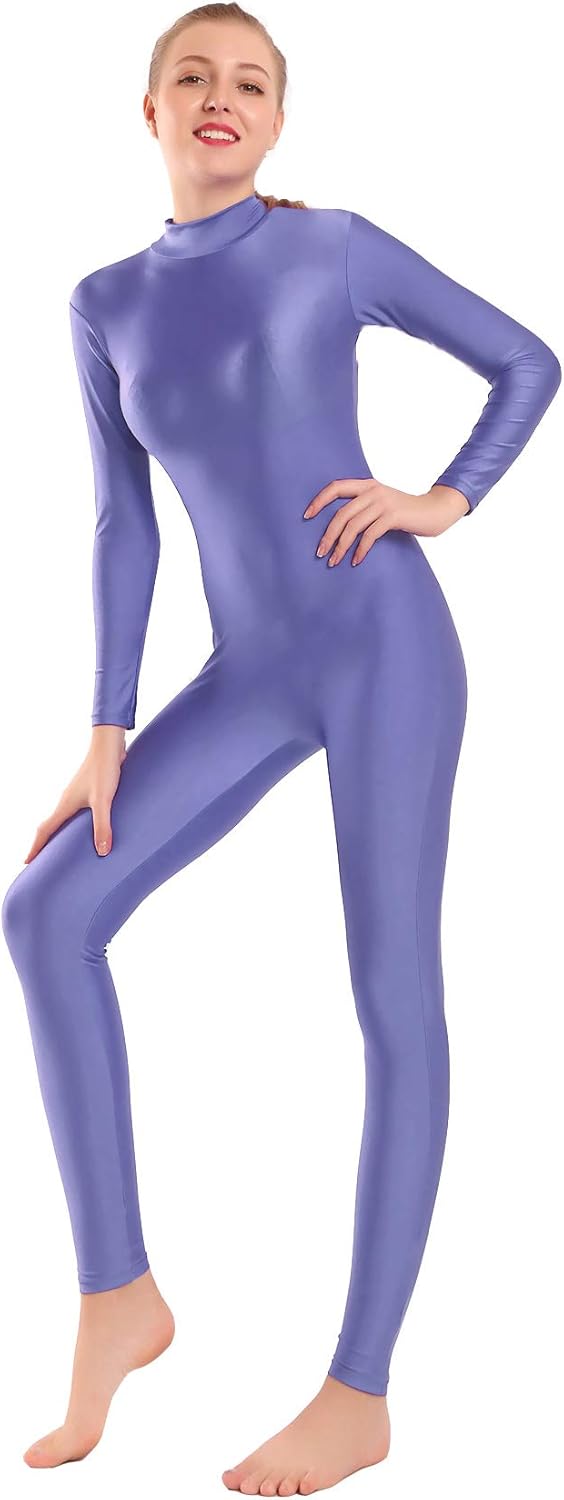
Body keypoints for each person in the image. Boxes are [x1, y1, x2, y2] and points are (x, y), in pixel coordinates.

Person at [1, 1, 560, 1488]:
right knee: (46, 913)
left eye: (250, 81)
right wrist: (107, 727)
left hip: (385, 648)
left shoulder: (334, 248)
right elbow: (123, 524)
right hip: (248, 671)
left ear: (278, 119)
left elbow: (526, 360)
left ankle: (358, 1392)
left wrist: (443, 499)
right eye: (193, 75)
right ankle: (119, 1295)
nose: (221, 96)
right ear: (150, 111)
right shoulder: (103, 301)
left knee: (391, 996)